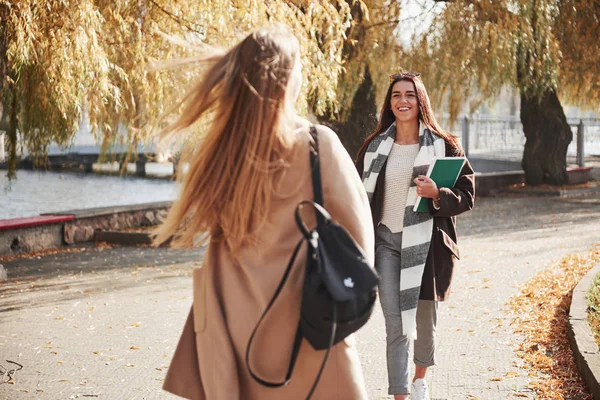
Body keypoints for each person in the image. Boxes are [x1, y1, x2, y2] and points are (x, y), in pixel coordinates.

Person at [152, 24, 374, 400]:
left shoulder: (221, 158)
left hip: (238, 345)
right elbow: (359, 252)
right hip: (310, 340)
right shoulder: (319, 146)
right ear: (288, 80)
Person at [355, 72, 475, 400]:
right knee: (396, 327)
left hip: (427, 245)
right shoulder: (374, 147)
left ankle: (419, 379)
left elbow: (467, 194)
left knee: (424, 324)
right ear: (389, 102)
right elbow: (353, 194)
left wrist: (438, 193)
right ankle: (400, 396)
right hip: (385, 244)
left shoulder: (444, 145)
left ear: (420, 100)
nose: (402, 100)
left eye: (409, 94)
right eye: (396, 95)